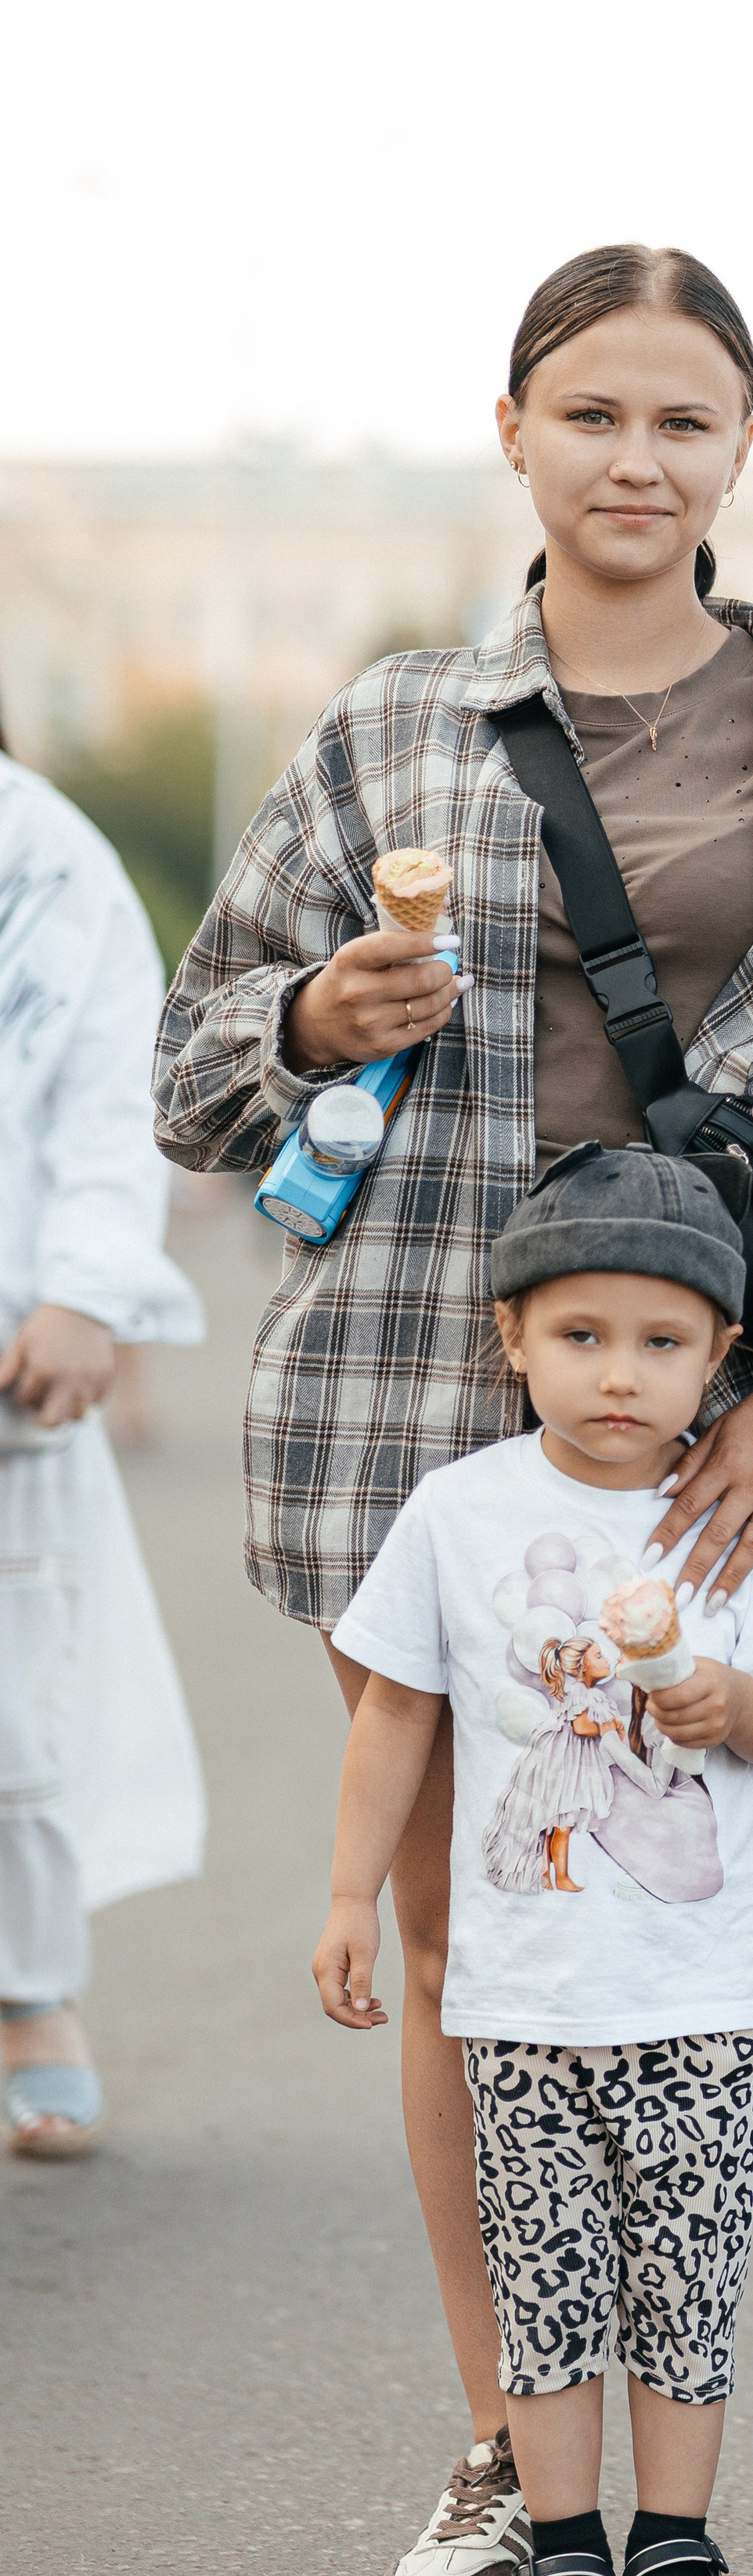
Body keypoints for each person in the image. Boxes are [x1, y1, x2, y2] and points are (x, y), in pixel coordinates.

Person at [156, 245, 753, 2576]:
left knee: (750, 1952)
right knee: (467, 1957)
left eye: (684, 421)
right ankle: (517, 2461)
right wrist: (317, 1003)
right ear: (514, 427)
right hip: (412, 1417)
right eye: (593, 411)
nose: (637, 459)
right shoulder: (393, 729)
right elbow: (202, 1069)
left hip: (700, 1431)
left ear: (738, 456)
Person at [314, 1144, 753, 2576]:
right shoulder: (456, 1515)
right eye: (580, 1338)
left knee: (685, 2283)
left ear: (720, 1354)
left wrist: (729, 1702)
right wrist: (353, 1896)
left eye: (663, 1344)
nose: (621, 1376)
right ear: (513, 1339)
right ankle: (567, 2541)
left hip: (698, 1998)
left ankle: (675, 2541)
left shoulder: (742, 1521)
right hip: (521, 1999)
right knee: (542, 2287)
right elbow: (396, 1713)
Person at [0, 746, 206, 2159]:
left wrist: (82, 1288)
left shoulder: (41, 852)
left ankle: (30, 1998)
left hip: (13, 1349)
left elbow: (98, 1082)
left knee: (19, 1706)